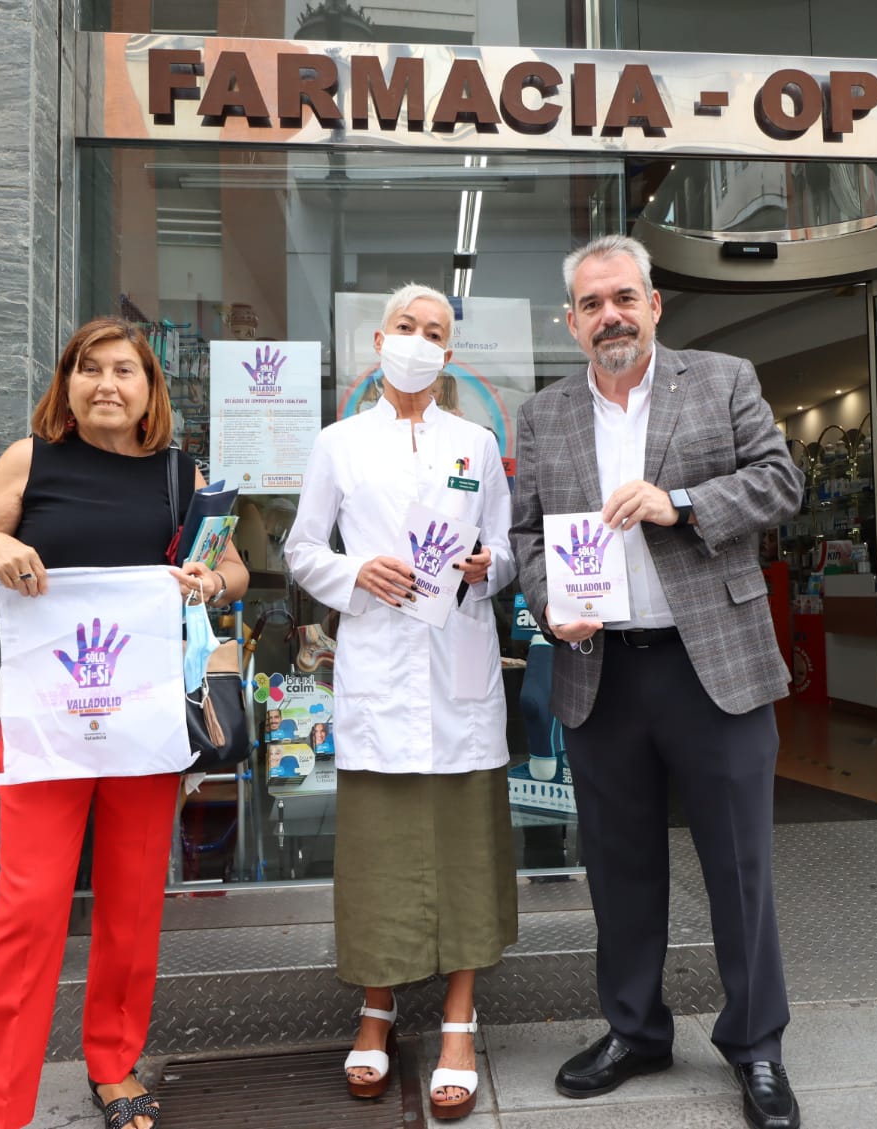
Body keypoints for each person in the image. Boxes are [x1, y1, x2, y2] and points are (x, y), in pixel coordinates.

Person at [509, 235, 805, 1129]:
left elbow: (781, 482)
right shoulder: (543, 414)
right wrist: (549, 605)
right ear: (571, 322)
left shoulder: (721, 380)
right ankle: (636, 1031)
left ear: (654, 305)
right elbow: (526, 535)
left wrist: (681, 504)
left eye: (624, 298)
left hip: (712, 663)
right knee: (620, 867)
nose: (611, 316)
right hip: (602, 671)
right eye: (592, 304)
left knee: (740, 867)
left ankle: (756, 1043)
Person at [0, 316, 249, 1129]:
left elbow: (234, 568)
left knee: (132, 903)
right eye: (90, 368)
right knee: (29, 910)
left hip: (144, 719)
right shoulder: (28, 461)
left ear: (150, 389)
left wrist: (208, 584)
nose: (107, 382)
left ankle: (112, 1063)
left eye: (124, 369)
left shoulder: (180, 474)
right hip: (45, 723)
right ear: (66, 385)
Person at [286, 283, 517, 1121]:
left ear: (449, 353)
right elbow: (301, 549)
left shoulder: (476, 443)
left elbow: (507, 549)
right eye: (406, 327)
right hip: (380, 670)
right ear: (379, 341)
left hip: (458, 669)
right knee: (380, 854)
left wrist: (490, 566)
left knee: (466, 849)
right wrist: (356, 572)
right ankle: (376, 1009)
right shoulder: (339, 444)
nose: (419, 340)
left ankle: (459, 1019)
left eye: (434, 331)